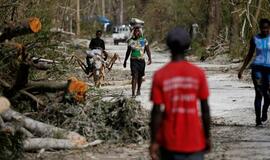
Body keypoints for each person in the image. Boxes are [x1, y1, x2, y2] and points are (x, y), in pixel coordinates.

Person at [149, 27, 211, 160]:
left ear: (168, 46)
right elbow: (205, 109)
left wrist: (154, 141)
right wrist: (207, 136)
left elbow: (156, 112)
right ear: (188, 47)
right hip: (195, 140)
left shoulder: (160, 75)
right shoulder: (198, 74)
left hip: (169, 142)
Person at [238, 18, 270, 127]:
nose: (265, 30)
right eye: (263, 28)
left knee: (268, 95)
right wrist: (242, 69)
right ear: (260, 28)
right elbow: (250, 54)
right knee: (259, 93)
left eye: (267, 28)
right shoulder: (255, 39)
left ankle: (264, 111)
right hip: (257, 69)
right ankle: (258, 120)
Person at [123, 26, 152, 97]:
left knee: (140, 76)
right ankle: (133, 93)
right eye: (135, 32)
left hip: (141, 61)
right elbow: (128, 52)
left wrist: (150, 58)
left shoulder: (144, 40)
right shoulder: (130, 41)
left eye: (138, 31)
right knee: (134, 76)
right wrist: (125, 61)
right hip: (133, 61)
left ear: (140, 32)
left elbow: (147, 50)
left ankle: (138, 90)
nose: (136, 33)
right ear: (133, 33)